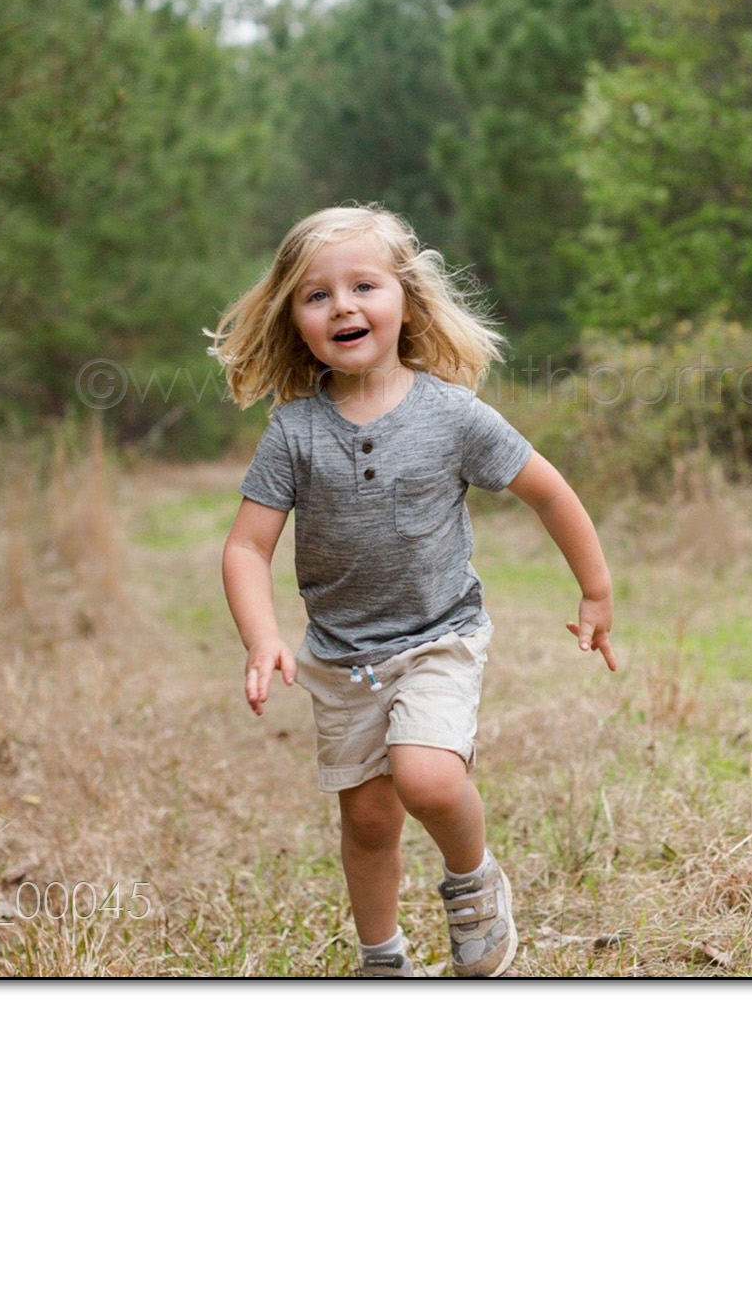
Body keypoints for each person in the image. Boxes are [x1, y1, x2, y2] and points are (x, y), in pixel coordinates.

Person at [209, 204, 618, 978]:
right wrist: (263, 638)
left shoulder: (452, 415)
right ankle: (383, 960)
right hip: (342, 658)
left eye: (364, 285)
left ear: (407, 298)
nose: (343, 306)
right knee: (368, 820)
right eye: (317, 295)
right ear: (294, 318)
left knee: (426, 777)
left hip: (439, 638)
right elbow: (246, 547)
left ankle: (473, 882)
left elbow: (548, 492)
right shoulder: (294, 432)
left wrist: (595, 590)